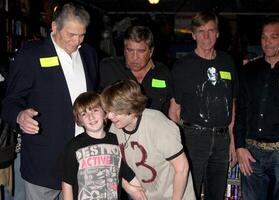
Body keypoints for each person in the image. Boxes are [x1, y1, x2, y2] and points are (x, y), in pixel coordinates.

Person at [1, 3, 99, 199]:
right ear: (54, 27)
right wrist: (20, 116)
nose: (77, 41)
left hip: (82, 158)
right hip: (44, 161)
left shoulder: (88, 54)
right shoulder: (31, 55)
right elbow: (10, 102)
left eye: (82, 35)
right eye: (71, 34)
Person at [169, 11, 238, 199]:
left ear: (218, 33)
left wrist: (232, 140)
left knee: (216, 194)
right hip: (193, 138)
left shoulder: (228, 62)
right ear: (193, 35)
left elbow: (231, 103)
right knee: (189, 193)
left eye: (210, 30)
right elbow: (174, 110)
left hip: (222, 139)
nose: (206, 36)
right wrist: (176, 147)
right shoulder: (182, 66)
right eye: (201, 31)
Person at [234, 17, 279, 200]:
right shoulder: (249, 70)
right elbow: (242, 110)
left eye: (274, 37)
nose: (267, 42)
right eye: (264, 37)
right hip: (251, 153)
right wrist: (239, 146)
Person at [100, 80, 195, 200]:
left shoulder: (157, 124)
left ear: (131, 107)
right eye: (108, 111)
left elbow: (182, 168)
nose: (109, 116)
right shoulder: (115, 127)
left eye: (115, 112)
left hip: (175, 195)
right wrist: (128, 187)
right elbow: (115, 165)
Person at [62, 91, 146, 200]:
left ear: (105, 113)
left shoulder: (116, 140)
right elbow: (67, 183)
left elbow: (127, 173)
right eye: (84, 114)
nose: (90, 117)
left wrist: (140, 191)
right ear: (80, 121)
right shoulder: (73, 146)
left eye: (95, 110)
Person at [99, 25, 172, 115]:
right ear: (124, 49)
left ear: (151, 51)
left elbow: (171, 110)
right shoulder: (108, 68)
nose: (135, 57)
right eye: (130, 50)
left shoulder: (163, 72)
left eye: (141, 51)